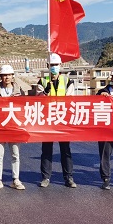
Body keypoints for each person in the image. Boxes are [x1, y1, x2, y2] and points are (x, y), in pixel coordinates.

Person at [36, 53, 76, 188]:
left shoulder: (67, 81)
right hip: (47, 121)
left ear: (60, 65)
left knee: (65, 150)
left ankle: (68, 178)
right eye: (52, 65)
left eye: (56, 65)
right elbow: (38, 99)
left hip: (62, 119)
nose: (54, 67)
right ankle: (45, 177)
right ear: (48, 66)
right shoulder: (42, 81)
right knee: (46, 150)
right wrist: (45, 91)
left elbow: (70, 99)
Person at [0, 65, 25, 190]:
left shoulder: (19, 90)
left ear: (12, 76)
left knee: (15, 154)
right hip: (0, 127)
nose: (7, 77)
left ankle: (16, 179)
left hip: (14, 127)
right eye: (4, 75)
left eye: (9, 75)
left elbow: (25, 106)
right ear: (1, 76)